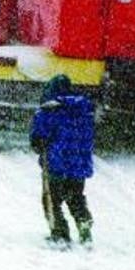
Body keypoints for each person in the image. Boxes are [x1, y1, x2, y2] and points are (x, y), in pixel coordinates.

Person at [29, 74, 95, 246]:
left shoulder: (47, 111)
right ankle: (83, 223)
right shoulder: (84, 112)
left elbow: (37, 138)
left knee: (51, 200)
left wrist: (40, 144)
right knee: (76, 197)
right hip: (78, 166)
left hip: (56, 165)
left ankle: (60, 234)